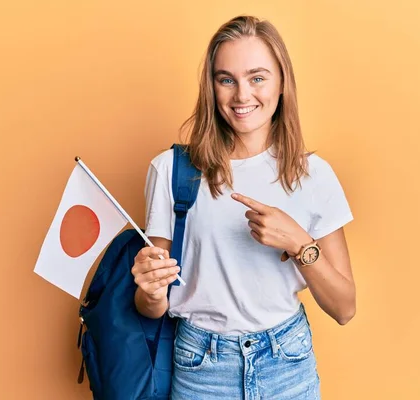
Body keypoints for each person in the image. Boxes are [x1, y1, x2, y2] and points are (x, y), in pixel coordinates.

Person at [131, 15, 356, 400]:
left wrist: (299, 242)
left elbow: (344, 307)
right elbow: (151, 307)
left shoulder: (313, 175)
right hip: (200, 367)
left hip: (287, 363)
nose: (241, 96)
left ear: (282, 82)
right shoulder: (170, 170)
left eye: (257, 77)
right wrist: (150, 292)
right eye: (226, 79)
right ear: (211, 86)